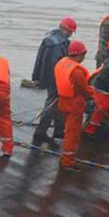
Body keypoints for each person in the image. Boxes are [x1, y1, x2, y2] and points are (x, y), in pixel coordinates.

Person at [31, 17, 77, 148]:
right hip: (54, 79)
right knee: (52, 104)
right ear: (66, 30)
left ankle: (59, 130)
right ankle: (40, 132)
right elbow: (54, 65)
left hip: (50, 77)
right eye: (71, 32)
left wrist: (37, 77)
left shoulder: (52, 38)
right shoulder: (56, 44)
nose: (71, 35)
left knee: (58, 103)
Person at [54, 40, 94, 171]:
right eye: (83, 54)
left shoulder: (62, 63)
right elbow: (84, 89)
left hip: (63, 101)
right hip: (74, 104)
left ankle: (66, 156)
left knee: (68, 131)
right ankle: (68, 161)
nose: (84, 57)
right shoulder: (76, 71)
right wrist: (94, 93)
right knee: (73, 134)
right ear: (80, 54)